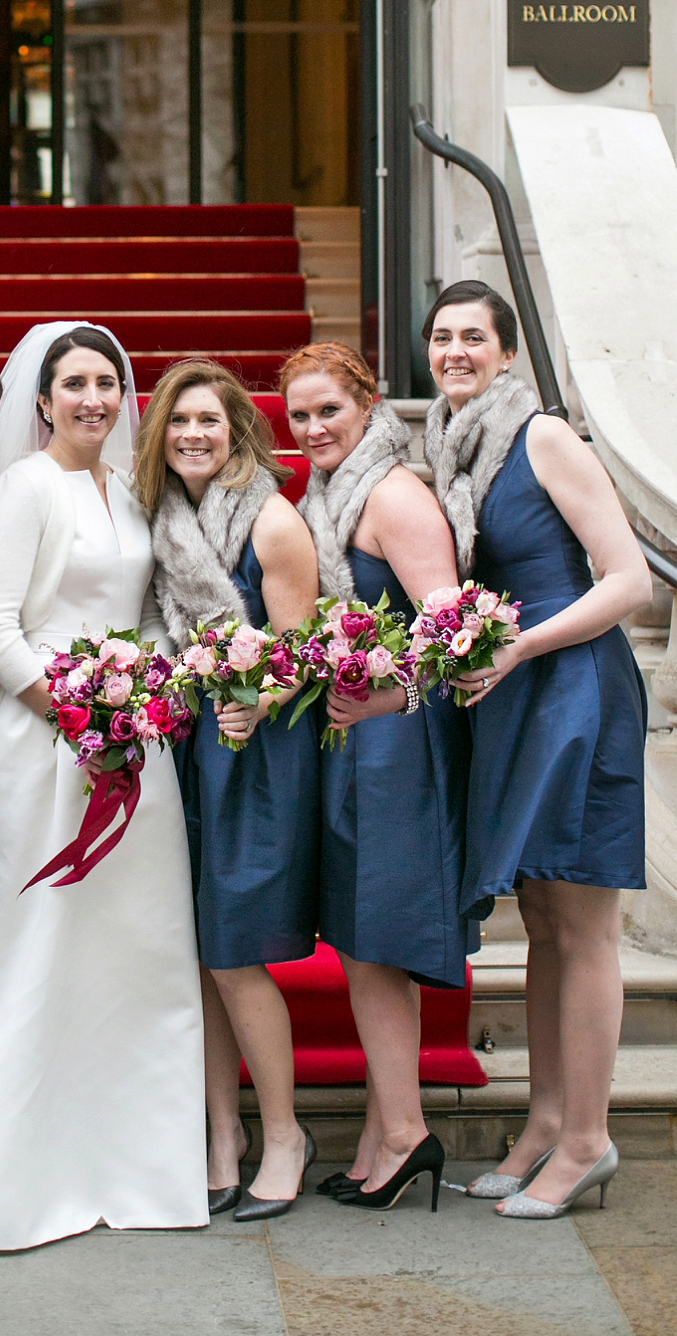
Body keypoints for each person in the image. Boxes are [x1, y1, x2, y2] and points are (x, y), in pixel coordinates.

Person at [0, 322, 206, 1251]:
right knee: (34, 947)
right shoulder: (26, 485)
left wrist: (144, 698)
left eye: (109, 381)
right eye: (76, 384)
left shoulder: (135, 489)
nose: (95, 398)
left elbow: (150, 611)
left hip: (135, 745)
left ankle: (136, 1160)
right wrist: (75, 713)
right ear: (44, 399)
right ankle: (23, 1169)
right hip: (43, 742)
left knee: (132, 956)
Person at [422, 282, 650, 1219]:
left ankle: (590, 1139)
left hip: (576, 689)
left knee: (585, 920)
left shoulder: (542, 437)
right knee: (545, 917)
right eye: (441, 337)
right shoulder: (448, 448)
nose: (455, 351)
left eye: (475, 336)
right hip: (513, 699)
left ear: (509, 354)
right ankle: (547, 1121)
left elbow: (630, 580)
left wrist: (521, 643)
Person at [281, 342, 475, 1214]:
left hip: (400, 741)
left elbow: (453, 628)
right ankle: (383, 1127)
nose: (315, 427)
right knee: (361, 940)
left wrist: (390, 699)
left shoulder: (393, 494)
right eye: (301, 416)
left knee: (378, 942)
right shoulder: (330, 493)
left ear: (367, 404)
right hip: (359, 741)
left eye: (330, 409)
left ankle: (403, 1133)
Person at [136, 359, 319, 1220]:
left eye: (209, 420)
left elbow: (302, 654)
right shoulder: (159, 517)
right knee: (196, 955)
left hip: (253, 753)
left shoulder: (273, 523)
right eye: (178, 423)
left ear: (240, 428)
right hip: (180, 748)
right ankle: (222, 1134)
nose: (193, 436)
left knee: (232, 952)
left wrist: (256, 697)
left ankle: (282, 1131)